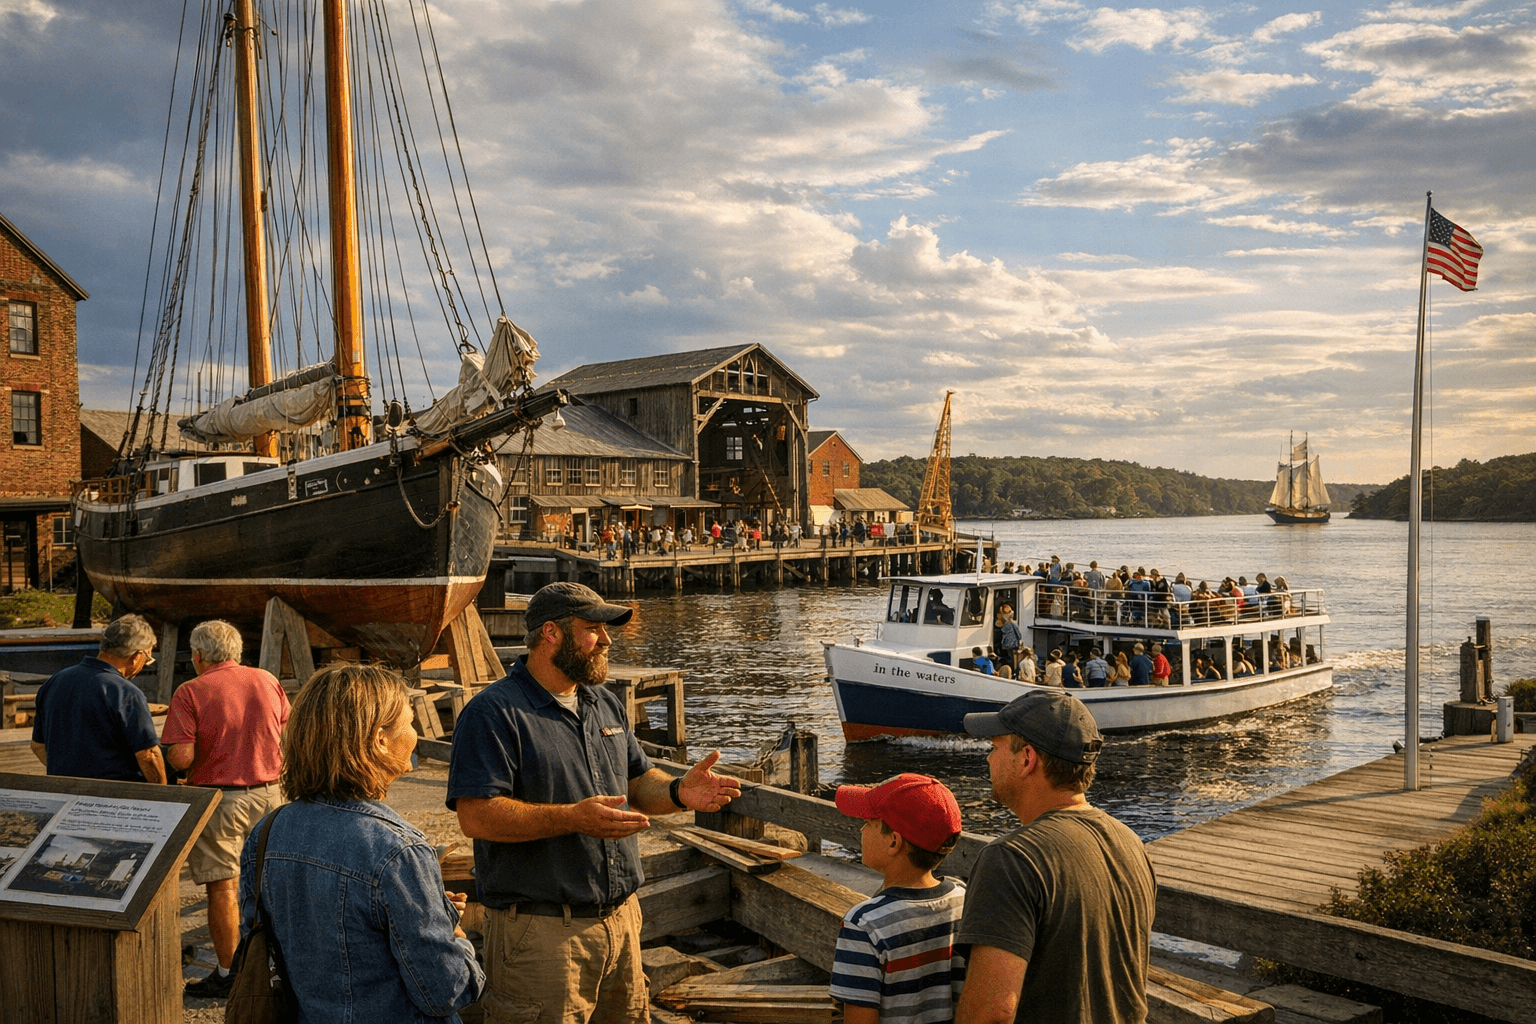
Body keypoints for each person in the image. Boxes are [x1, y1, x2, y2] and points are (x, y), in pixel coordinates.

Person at [447, 582, 742, 1023]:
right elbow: (476, 816)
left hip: (622, 923)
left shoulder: (602, 703)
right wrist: (573, 818)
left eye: (606, 629)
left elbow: (638, 782)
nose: (606, 639)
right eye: (593, 629)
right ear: (551, 633)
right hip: (541, 934)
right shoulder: (493, 713)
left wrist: (680, 792)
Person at [241, 665, 484, 1021]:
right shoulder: (398, 850)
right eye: (410, 722)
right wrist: (455, 935)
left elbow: (262, 943)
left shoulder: (267, 831)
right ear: (380, 740)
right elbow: (446, 990)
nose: (415, 735)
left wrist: (421, 907)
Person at [955, 691, 1155, 1024]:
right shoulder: (1130, 842)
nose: (988, 759)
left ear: (1026, 758)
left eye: (994, 747)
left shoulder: (1011, 859)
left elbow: (991, 1012)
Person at [164, 620, 290, 999]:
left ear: (198, 655)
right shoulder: (267, 680)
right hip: (270, 793)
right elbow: (287, 733)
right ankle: (281, 965)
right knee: (271, 881)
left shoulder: (191, 691)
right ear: (236, 650)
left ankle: (228, 973)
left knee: (223, 887)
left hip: (220, 800)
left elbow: (182, 757)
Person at [830, 774, 968, 1024]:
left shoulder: (862, 925)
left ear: (894, 841)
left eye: (869, 822)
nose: (861, 828)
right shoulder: (964, 900)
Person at [30, 613, 165, 784]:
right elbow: (148, 755)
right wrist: (163, 797)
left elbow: (38, 746)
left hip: (64, 792)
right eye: (148, 659)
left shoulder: (54, 682)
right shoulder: (127, 693)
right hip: (114, 798)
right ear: (137, 656)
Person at [996, 604, 1022, 673]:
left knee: (1008, 657)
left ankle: (1009, 669)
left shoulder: (1003, 626)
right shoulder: (1012, 624)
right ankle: (1013, 671)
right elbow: (1019, 635)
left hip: (1006, 644)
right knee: (1013, 659)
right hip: (1013, 644)